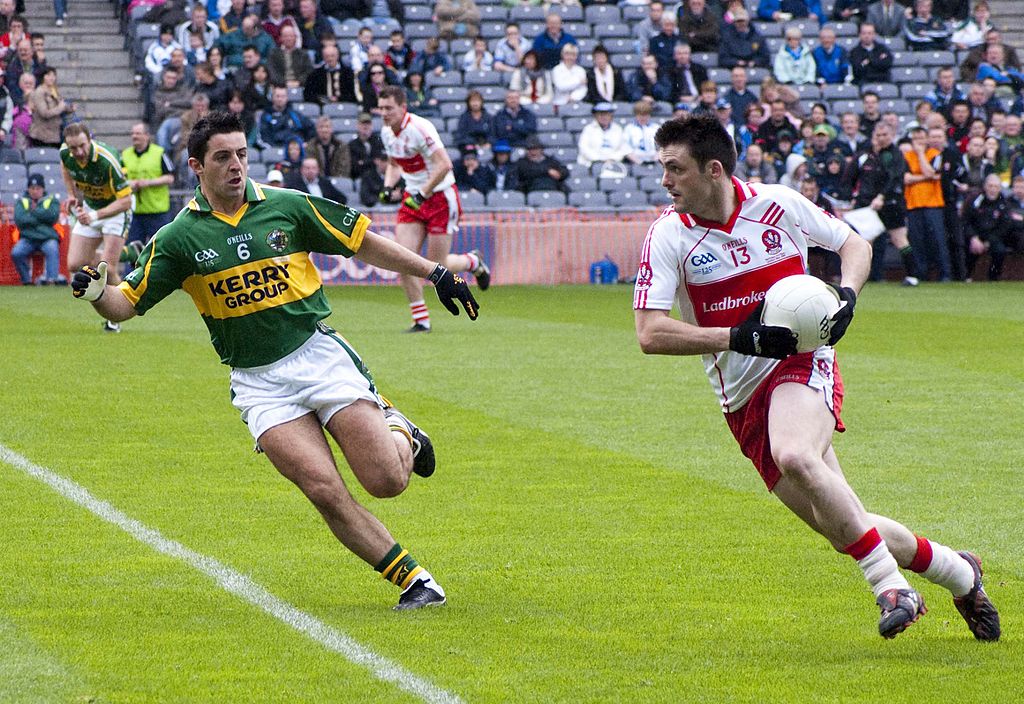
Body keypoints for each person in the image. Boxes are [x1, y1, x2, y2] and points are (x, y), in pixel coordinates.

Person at [70, 110, 480, 611]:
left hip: (319, 357)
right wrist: (95, 292)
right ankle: (416, 582)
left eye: (242, 154)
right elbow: (124, 304)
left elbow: (364, 242)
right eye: (223, 157)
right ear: (197, 166)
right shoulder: (178, 238)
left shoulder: (288, 206)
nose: (236, 165)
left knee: (386, 481)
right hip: (258, 383)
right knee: (323, 487)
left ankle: (401, 430)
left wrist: (438, 273)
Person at [632, 114, 1001, 642]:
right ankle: (961, 573)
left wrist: (847, 295)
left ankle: (891, 587)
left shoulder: (777, 203)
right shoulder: (668, 235)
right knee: (841, 521)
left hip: (804, 362)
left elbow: (854, 244)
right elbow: (649, 332)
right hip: (740, 395)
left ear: (713, 170)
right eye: (661, 167)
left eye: (674, 168)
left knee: (797, 455)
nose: (665, 180)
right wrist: (739, 338)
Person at [377, 86, 490, 333]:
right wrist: (388, 186)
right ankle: (421, 320)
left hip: (439, 197)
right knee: (402, 258)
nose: (384, 113)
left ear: (402, 107)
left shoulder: (420, 128)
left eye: (389, 108)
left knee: (436, 265)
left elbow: (445, 165)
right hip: (414, 198)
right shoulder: (386, 133)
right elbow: (394, 163)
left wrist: (423, 193)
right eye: (381, 108)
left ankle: (472, 261)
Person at [60, 122, 134, 333]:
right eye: (73, 148)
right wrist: (71, 195)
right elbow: (65, 168)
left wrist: (94, 216)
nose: (79, 152)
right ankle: (127, 253)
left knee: (108, 268)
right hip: (92, 207)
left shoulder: (107, 160)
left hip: (116, 210)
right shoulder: (66, 153)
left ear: (89, 139)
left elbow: (126, 201)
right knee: (75, 264)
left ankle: (116, 316)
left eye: (82, 146)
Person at [847, 122, 919, 285]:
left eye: (884, 135)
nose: (881, 138)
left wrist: (882, 196)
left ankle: (913, 276)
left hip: (892, 203)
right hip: (870, 204)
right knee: (866, 242)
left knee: (900, 239)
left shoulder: (896, 154)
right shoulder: (867, 153)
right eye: (878, 135)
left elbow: (895, 177)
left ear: (892, 135)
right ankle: (863, 277)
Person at [903, 126, 951, 281]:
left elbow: (931, 172)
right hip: (913, 203)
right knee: (916, 240)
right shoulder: (906, 156)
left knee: (938, 239)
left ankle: (945, 274)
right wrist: (926, 177)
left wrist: (921, 155)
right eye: (916, 139)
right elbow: (906, 178)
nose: (919, 143)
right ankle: (920, 274)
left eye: (922, 139)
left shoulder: (935, 154)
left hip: (933, 203)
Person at [122, 122, 176, 247]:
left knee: (161, 248)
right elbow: (120, 179)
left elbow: (170, 178)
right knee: (132, 249)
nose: (134, 136)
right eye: (132, 133)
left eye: (138, 133)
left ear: (147, 136)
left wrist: (148, 183)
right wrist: (130, 183)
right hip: (134, 212)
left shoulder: (159, 153)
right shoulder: (125, 154)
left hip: (157, 212)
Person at [11, 173, 62, 285]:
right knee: (16, 252)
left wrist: (32, 212)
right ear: (28, 189)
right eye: (32, 188)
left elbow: (52, 217)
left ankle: (52, 280)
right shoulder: (22, 201)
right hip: (28, 238)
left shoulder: (51, 200)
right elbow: (20, 220)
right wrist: (42, 218)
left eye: (38, 188)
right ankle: (26, 281)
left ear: (43, 189)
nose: (35, 191)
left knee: (52, 249)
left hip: (47, 237)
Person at [962, 173, 1014, 280]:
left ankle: (993, 278)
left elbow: (1005, 226)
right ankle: (965, 277)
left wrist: (988, 243)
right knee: (967, 249)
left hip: (993, 236)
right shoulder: (975, 200)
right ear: (985, 186)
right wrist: (973, 238)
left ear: (1000, 188)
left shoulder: (1004, 203)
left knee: (1000, 251)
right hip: (975, 235)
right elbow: (965, 221)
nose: (993, 189)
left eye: (996, 187)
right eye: (990, 186)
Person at [577, 102, 630, 168]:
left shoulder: (618, 129)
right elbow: (583, 148)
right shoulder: (588, 129)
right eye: (601, 115)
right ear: (596, 116)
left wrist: (612, 158)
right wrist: (600, 159)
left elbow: (623, 149)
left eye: (607, 114)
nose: (604, 117)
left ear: (611, 116)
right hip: (591, 164)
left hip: (613, 163)